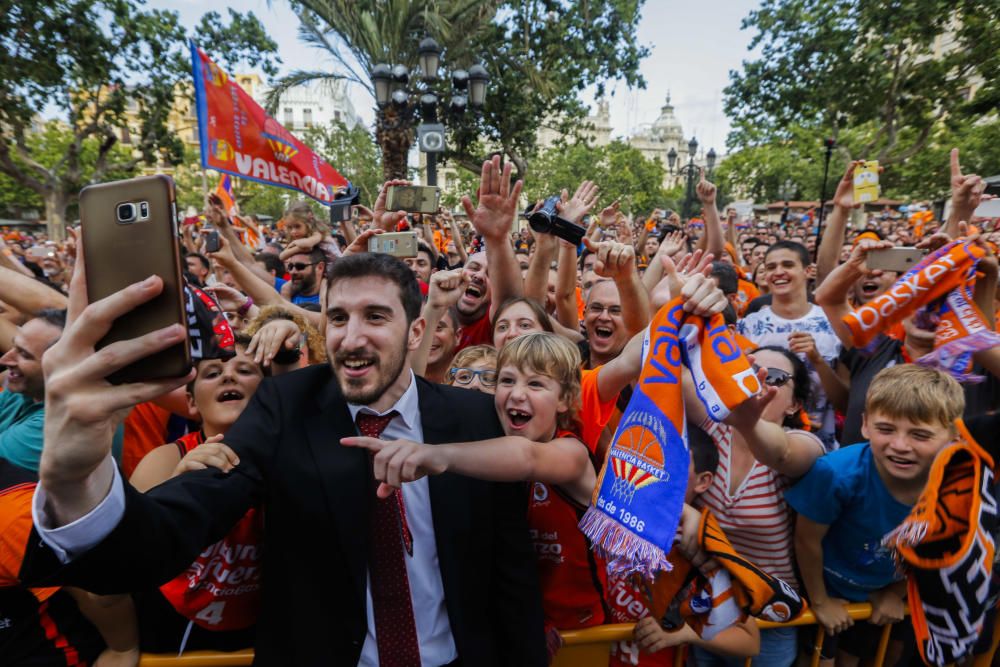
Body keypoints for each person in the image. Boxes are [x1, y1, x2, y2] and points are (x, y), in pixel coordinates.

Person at [25, 159, 547, 666]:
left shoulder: (474, 419)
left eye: (376, 316)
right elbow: (180, 520)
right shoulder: (284, 407)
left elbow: (511, 572)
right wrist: (75, 480)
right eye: (337, 317)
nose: (352, 336)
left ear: (416, 331)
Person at [787, 364, 965, 665]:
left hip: (885, 592)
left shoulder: (957, 486)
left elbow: (935, 549)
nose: (900, 445)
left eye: (920, 435)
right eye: (885, 429)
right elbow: (807, 540)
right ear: (866, 424)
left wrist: (895, 592)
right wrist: (820, 600)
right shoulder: (836, 474)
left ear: (954, 437)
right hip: (825, 591)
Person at [0, 309, 65, 472]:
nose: (5, 359)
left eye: (24, 355)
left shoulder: (60, 423)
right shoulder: (27, 389)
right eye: (14, 346)